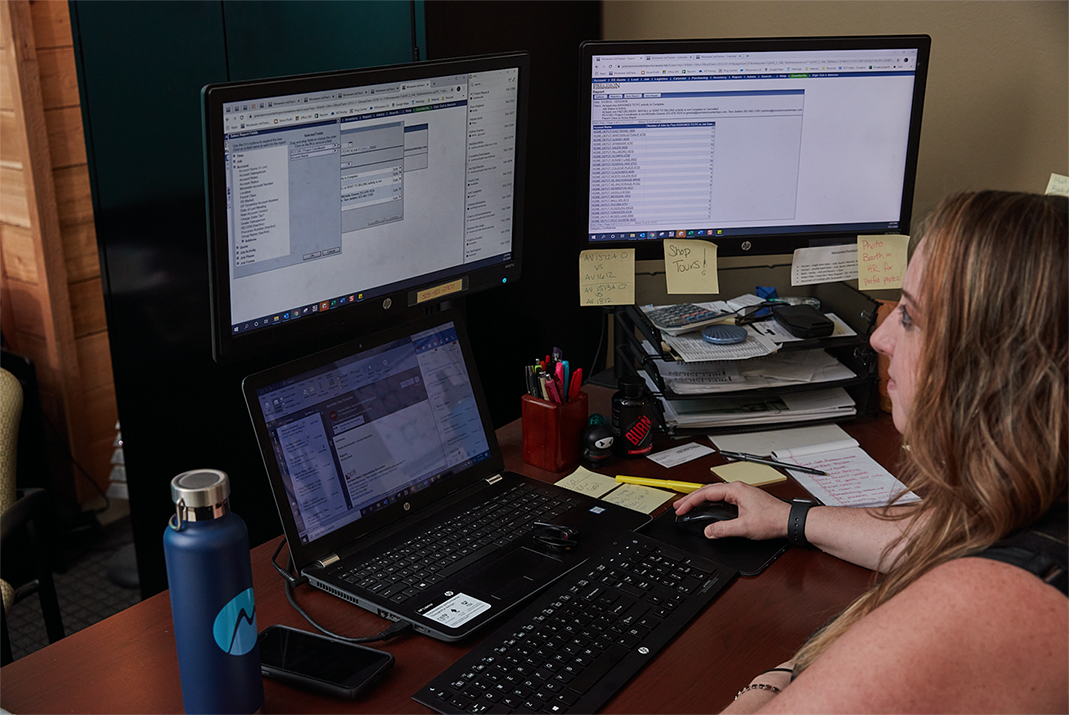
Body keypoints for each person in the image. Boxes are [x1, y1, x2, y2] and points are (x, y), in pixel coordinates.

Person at [673, 191, 1069, 714]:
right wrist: (791, 518)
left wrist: (780, 678)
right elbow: (941, 532)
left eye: (910, 316)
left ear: (995, 366)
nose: (881, 337)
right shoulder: (1044, 513)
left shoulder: (987, 604)